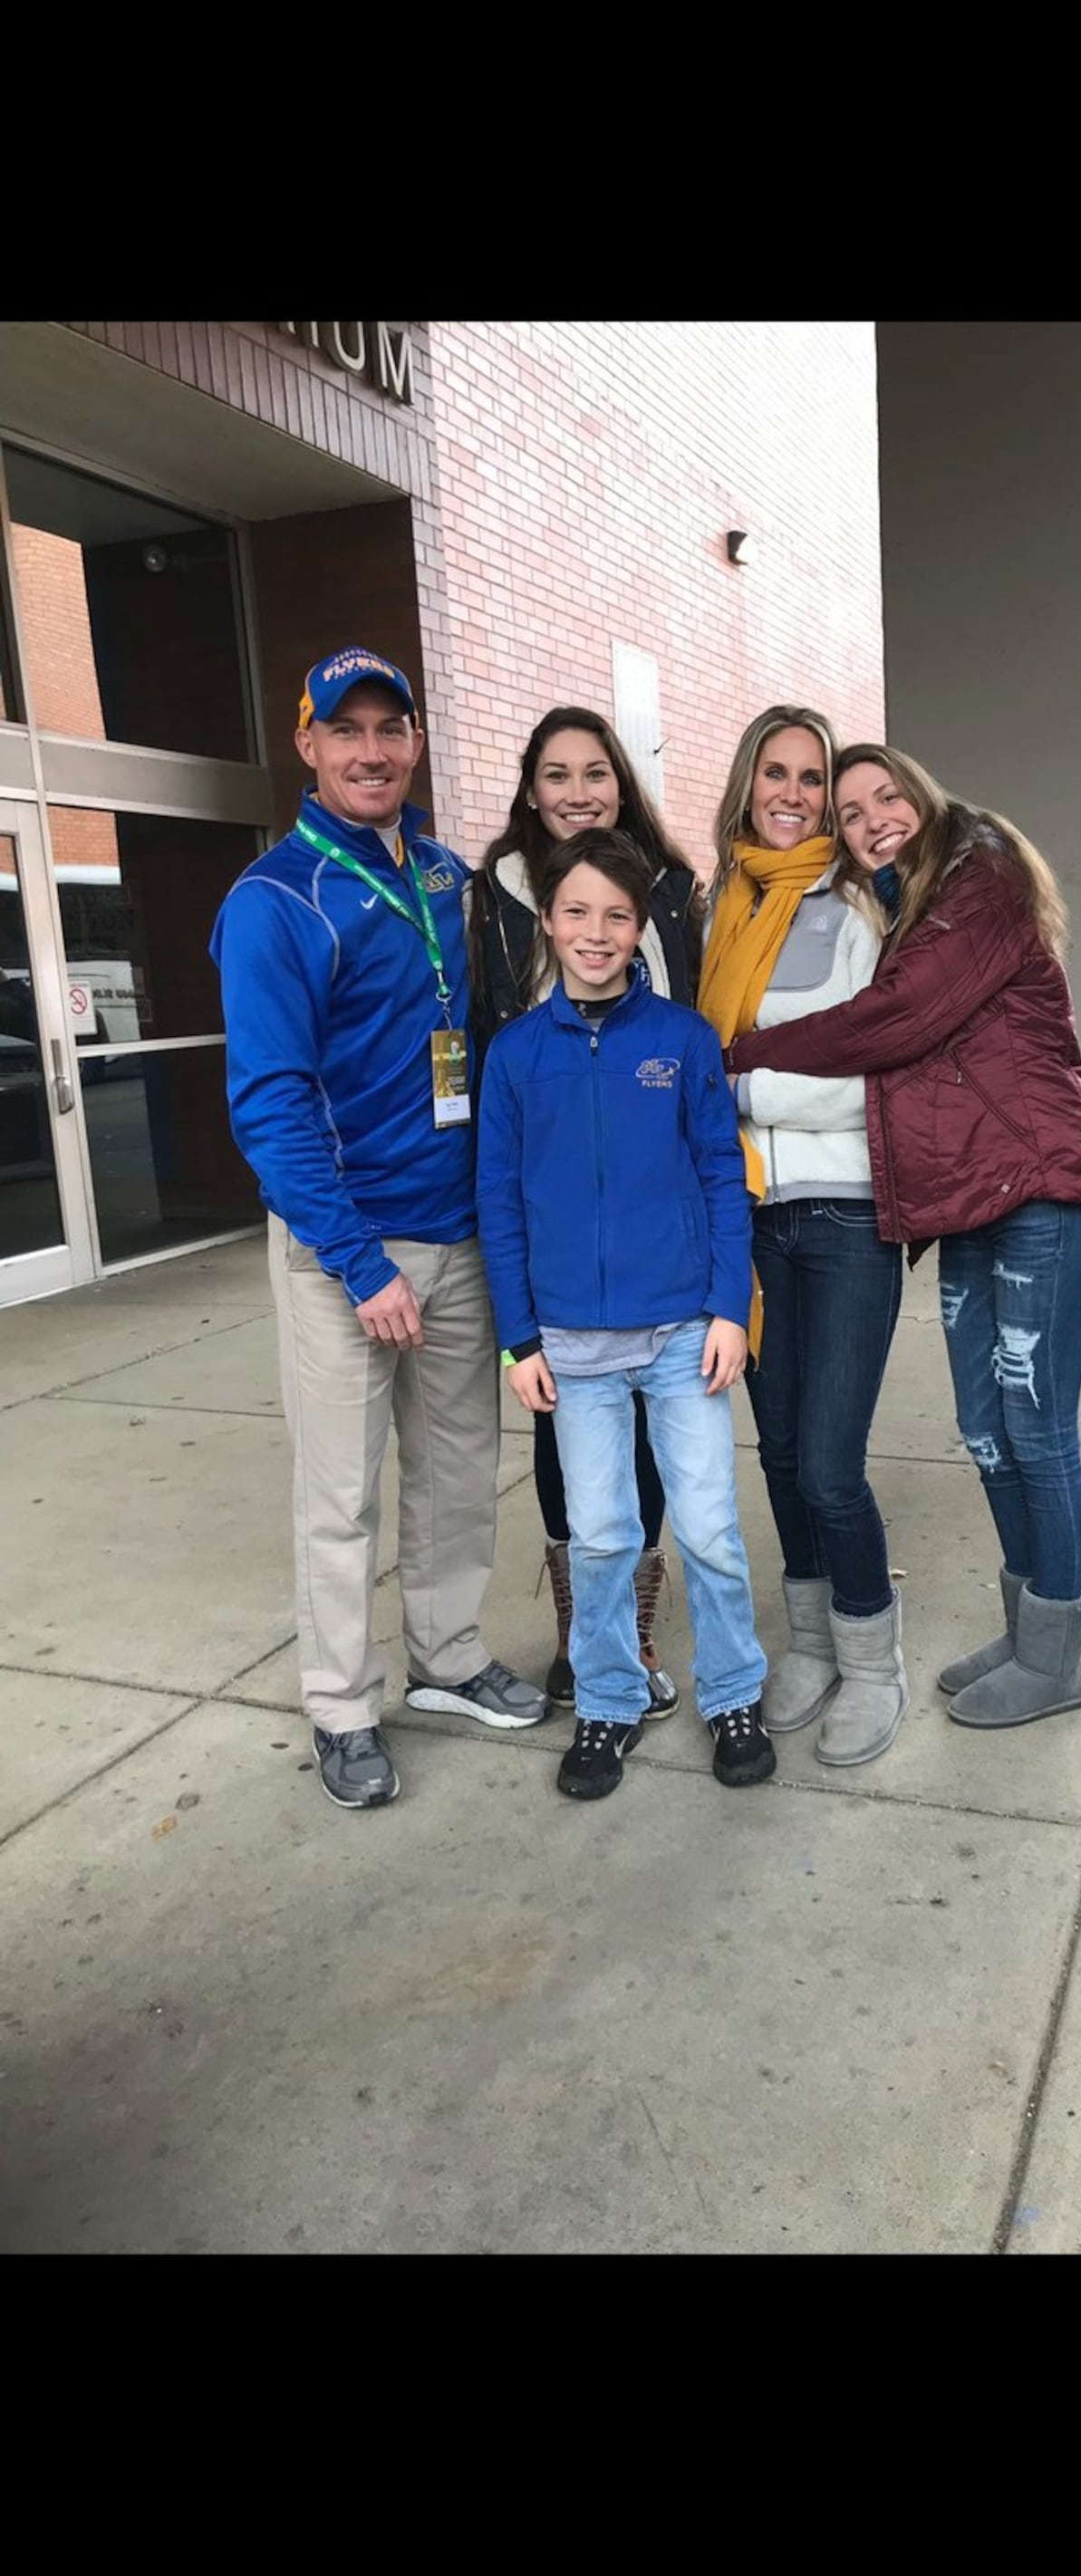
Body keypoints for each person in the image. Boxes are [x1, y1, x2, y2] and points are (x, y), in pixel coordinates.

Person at [210, 648, 546, 1812]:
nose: (370, 751)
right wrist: (357, 1263)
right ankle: (343, 1704)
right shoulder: (273, 904)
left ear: (414, 743)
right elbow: (270, 1103)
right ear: (306, 746)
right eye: (344, 730)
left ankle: (448, 1659)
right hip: (344, 1251)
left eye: (389, 729)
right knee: (342, 1495)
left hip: (459, 1237)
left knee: (459, 1475)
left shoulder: (452, 880)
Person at [726, 744, 1081, 1731]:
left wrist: (746, 1051)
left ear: (921, 793)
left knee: (1038, 1433)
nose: (869, 820)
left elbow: (893, 1022)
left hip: (1038, 1190)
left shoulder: (977, 868)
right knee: (987, 1434)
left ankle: (1054, 1654)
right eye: (851, 814)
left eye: (881, 797)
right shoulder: (911, 903)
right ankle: (1026, 1625)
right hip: (967, 1204)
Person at [476, 828, 771, 1801]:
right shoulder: (517, 1057)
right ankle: (606, 1702)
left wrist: (728, 1306)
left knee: (709, 1529)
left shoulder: (681, 1042)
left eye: (615, 915)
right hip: (571, 1343)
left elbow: (723, 1179)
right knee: (600, 1535)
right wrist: (517, 1337)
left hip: (683, 1330)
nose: (595, 934)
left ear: (639, 927)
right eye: (576, 913)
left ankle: (732, 1692)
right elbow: (499, 1204)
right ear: (549, 925)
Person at [468, 707, 701, 1721]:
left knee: (651, 1438)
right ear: (530, 788)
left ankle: (633, 1628)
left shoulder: (672, 890)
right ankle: (580, 1636)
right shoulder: (493, 897)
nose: (575, 790)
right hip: (549, 1202)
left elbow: (690, 1036)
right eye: (555, 774)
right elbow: (470, 1028)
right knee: (561, 1430)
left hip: (650, 1220)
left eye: (594, 772)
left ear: (622, 784)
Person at [697, 706, 909, 1769]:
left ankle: (874, 1662)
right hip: (746, 1220)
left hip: (844, 1216)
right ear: (748, 784)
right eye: (774, 772)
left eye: (811, 776)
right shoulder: (718, 909)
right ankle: (814, 1647)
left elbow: (873, 1076)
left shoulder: (864, 908)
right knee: (777, 1455)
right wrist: (741, 1083)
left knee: (830, 1464)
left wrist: (744, 1081)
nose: (792, 793)